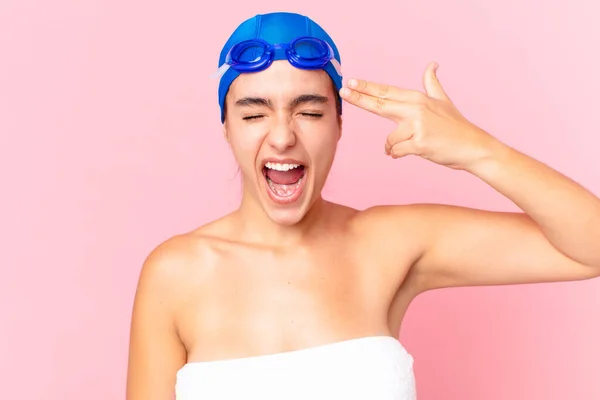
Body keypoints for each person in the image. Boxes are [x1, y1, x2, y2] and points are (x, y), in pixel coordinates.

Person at [125, 11, 600, 400]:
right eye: (253, 113)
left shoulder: (389, 244)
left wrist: (477, 150)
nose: (284, 135)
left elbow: (590, 246)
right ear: (226, 126)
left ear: (338, 123)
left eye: (309, 112)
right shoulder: (175, 272)